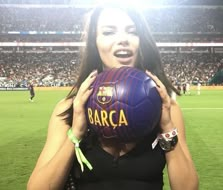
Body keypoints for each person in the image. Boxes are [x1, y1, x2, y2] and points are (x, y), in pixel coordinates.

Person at [27, 3, 198, 190]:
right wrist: (76, 133)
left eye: (132, 32)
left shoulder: (166, 108)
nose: (123, 39)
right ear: (95, 42)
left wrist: (166, 127)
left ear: (140, 42)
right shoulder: (70, 108)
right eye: (109, 32)